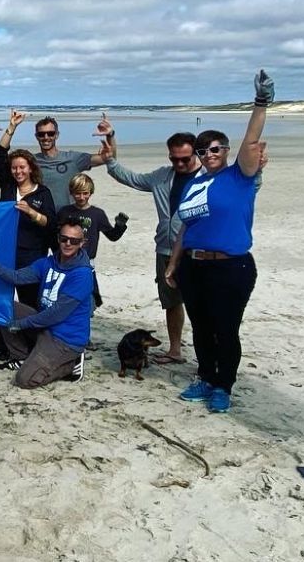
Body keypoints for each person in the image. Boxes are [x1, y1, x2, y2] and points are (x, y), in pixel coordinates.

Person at [164, 70, 273, 414]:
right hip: (193, 265)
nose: (208, 154)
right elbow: (186, 227)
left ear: (225, 150)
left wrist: (261, 103)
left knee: (225, 330)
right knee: (201, 327)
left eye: (214, 148)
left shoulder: (239, 175)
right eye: (202, 150)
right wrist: (173, 263)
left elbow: (252, 141)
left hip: (231, 266)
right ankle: (206, 377)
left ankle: (223, 385)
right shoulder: (195, 184)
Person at [102, 132, 201, 365]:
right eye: (174, 159)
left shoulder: (209, 178)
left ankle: (207, 357)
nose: (179, 164)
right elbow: (132, 179)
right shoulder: (161, 177)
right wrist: (110, 160)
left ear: (196, 152)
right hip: (165, 249)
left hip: (197, 251)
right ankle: (175, 350)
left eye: (184, 159)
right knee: (172, 302)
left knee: (201, 307)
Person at [0, 216, 95, 387]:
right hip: (46, 326)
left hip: (65, 338)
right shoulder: (48, 262)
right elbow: (16, 277)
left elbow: (56, 314)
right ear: (58, 239)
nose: (68, 243)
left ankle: (70, 364)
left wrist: (22, 324)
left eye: (74, 241)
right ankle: (21, 356)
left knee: (24, 380)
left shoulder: (82, 274)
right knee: (4, 307)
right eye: (64, 238)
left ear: (82, 242)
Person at [0, 110, 58, 359]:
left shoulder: (42, 193)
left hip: (32, 258)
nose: (17, 171)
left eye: (22, 167)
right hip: (5, 255)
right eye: (14, 168)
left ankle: (32, 345)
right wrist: (11, 127)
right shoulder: (8, 187)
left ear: (30, 169)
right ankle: (3, 345)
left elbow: (51, 224)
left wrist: (31, 212)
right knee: (2, 300)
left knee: (29, 304)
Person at [0, 112, 110, 209]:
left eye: (50, 133)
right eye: (41, 134)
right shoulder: (30, 161)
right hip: (40, 220)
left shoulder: (73, 158)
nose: (46, 137)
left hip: (66, 220)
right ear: (36, 136)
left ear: (56, 135)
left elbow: (107, 158)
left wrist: (110, 135)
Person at [56, 173, 127, 307]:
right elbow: (55, 236)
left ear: (91, 193)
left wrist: (120, 226)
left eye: (85, 193)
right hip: (65, 262)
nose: (81, 197)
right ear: (71, 193)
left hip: (87, 263)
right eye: (77, 193)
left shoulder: (97, 214)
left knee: (90, 298)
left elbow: (112, 236)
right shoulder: (64, 212)